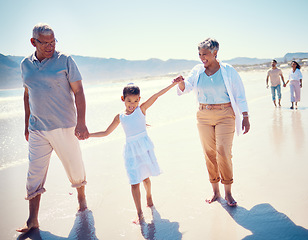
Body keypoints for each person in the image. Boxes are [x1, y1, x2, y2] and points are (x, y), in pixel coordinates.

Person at [17, 23, 89, 233]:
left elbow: (79, 91)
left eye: (53, 41)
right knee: (34, 173)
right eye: (45, 42)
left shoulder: (65, 60)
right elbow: (27, 94)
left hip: (64, 125)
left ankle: (82, 199)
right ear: (33, 42)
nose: (50, 46)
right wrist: (27, 124)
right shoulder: (25, 65)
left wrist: (81, 122)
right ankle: (32, 220)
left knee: (75, 167)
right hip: (37, 127)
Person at [89, 78, 183, 223]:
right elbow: (106, 132)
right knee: (134, 182)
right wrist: (88, 135)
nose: (132, 104)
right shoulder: (120, 117)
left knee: (145, 177)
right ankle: (139, 214)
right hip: (130, 152)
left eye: (135, 101)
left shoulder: (142, 110)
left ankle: (149, 196)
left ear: (139, 99)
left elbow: (157, 95)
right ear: (123, 99)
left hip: (144, 148)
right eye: (129, 101)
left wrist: (174, 84)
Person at [177, 38, 250, 207]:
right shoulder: (197, 71)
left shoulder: (228, 70)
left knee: (223, 152)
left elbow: (240, 94)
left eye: (205, 54)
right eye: (200, 54)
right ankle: (216, 192)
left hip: (225, 114)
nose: (202, 57)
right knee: (209, 153)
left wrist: (245, 116)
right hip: (203, 115)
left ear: (215, 53)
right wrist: (181, 83)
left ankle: (228, 193)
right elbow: (186, 87)